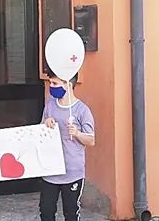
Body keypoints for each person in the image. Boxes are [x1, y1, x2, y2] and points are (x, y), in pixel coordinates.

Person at [40, 71, 95, 221]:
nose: (51, 87)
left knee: (70, 212)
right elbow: (40, 133)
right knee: (46, 210)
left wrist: (77, 133)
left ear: (68, 85)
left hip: (72, 172)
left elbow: (90, 140)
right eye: (50, 83)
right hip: (50, 171)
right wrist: (46, 124)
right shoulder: (50, 106)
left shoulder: (82, 111)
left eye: (55, 84)